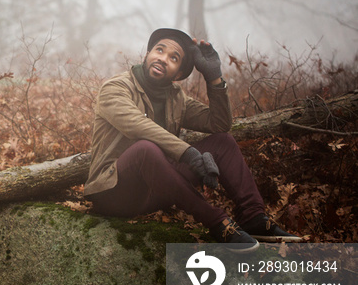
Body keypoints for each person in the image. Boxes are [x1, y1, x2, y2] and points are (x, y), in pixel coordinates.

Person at [84, 28, 300, 253]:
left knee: (223, 142)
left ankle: (253, 216)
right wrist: (188, 153)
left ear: (178, 73)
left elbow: (219, 124)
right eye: (159, 50)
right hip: (113, 192)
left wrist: (213, 78)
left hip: (154, 191)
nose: (163, 58)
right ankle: (217, 222)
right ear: (148, 54)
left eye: (173, 58)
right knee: (145, 148)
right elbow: (137, 125)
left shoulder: (177, 98)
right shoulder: (116, 87)